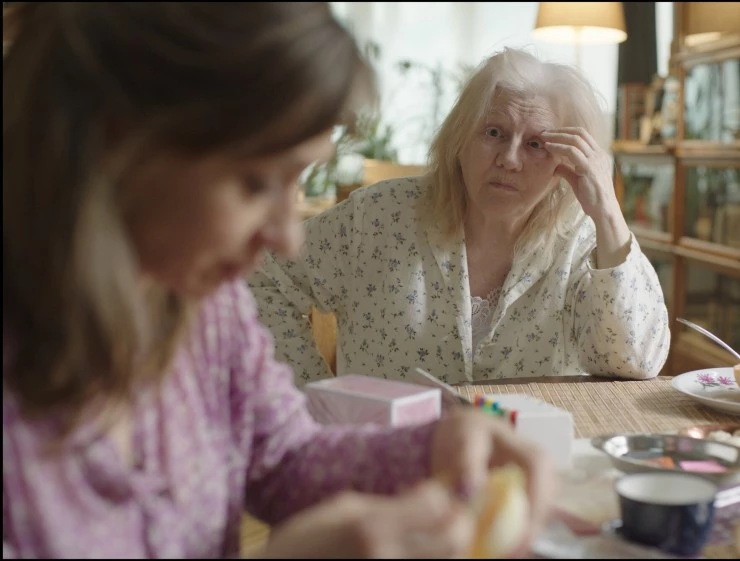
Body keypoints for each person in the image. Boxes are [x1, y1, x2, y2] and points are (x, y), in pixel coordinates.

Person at [2, 3, 558, 559]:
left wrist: (431, 448)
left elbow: (284, 461)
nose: (288, 239)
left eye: (298, 180)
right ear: (117, 144)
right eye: (256, 183)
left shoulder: (207, 307)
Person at [250, 47, 671, 386]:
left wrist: (608, 212)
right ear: (459, 139)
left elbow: (634, 361)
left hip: (528, 458)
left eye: (536, 145)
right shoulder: (376, 217)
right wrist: (308, 396)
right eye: (494, 133)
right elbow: (259, 275)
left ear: (567, 162)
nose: (509, 159)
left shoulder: (583, 242)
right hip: (389, 455)